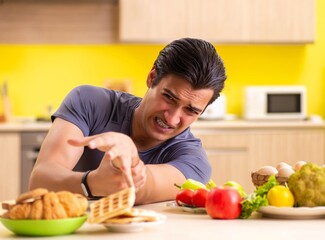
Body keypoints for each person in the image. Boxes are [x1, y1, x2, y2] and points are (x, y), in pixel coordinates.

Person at [29, 38, 227, 204]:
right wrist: (91, 182)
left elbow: (139, 187)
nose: (172, 118)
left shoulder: (194, 162)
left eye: (191, 110)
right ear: (152, 77)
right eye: (169, 97)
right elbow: (40, 180)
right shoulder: (89, 101)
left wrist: (127, 158)